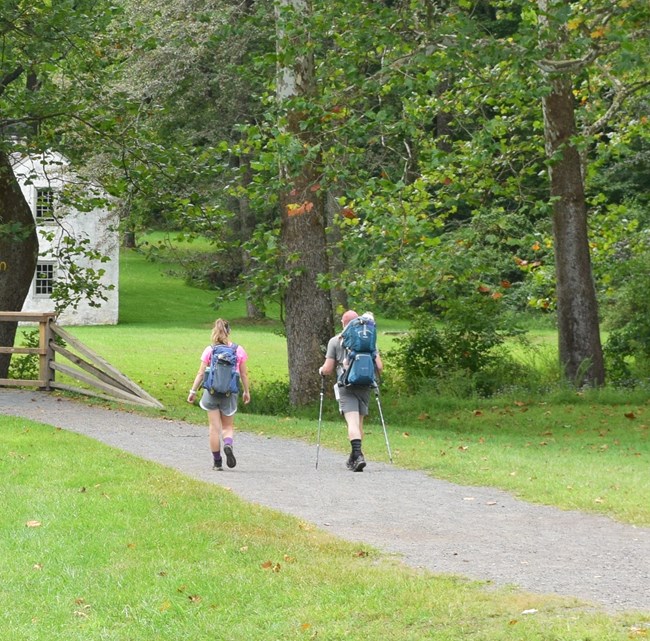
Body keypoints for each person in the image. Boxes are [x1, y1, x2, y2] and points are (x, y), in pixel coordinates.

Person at [318, 310, 383, 472]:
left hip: (346, 386)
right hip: (366, 384)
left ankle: (358, 455)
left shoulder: (335, 341)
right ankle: (354, 456)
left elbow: (328, 368)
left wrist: (321, 371)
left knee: (352, 422)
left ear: (343, 322)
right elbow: (380, 367)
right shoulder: (370, 340)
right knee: (359, 422)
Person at [187, 318, 250, 470]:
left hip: (211, 392)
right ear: (229, 332)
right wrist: (246, 391)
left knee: (214, 428)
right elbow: (243, 374)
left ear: (214, 332)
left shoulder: (210, 350)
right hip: (229, 393)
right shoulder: (238, 350)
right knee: (227, 427)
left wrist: (193, 391)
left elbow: (201, 373)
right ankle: (228, 444)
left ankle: (217, 462)